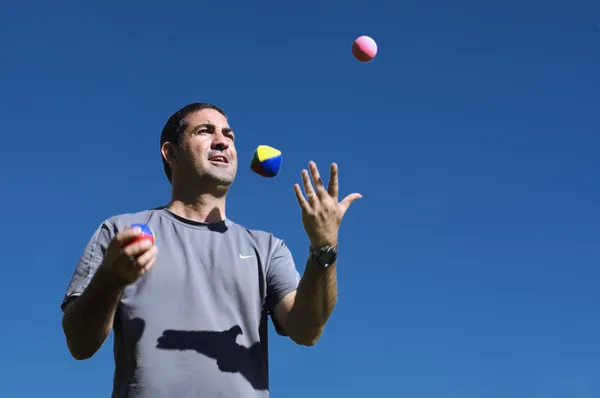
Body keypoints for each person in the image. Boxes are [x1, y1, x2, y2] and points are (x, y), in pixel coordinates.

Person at [60, 102, 361, 398]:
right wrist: (111, 278)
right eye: (205, 131)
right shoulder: (122, 233)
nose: (222, 141)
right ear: (170, 152)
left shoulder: (266, 248)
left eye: (229, 136)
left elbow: (307, 329)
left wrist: (324, 245)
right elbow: (80, 343)